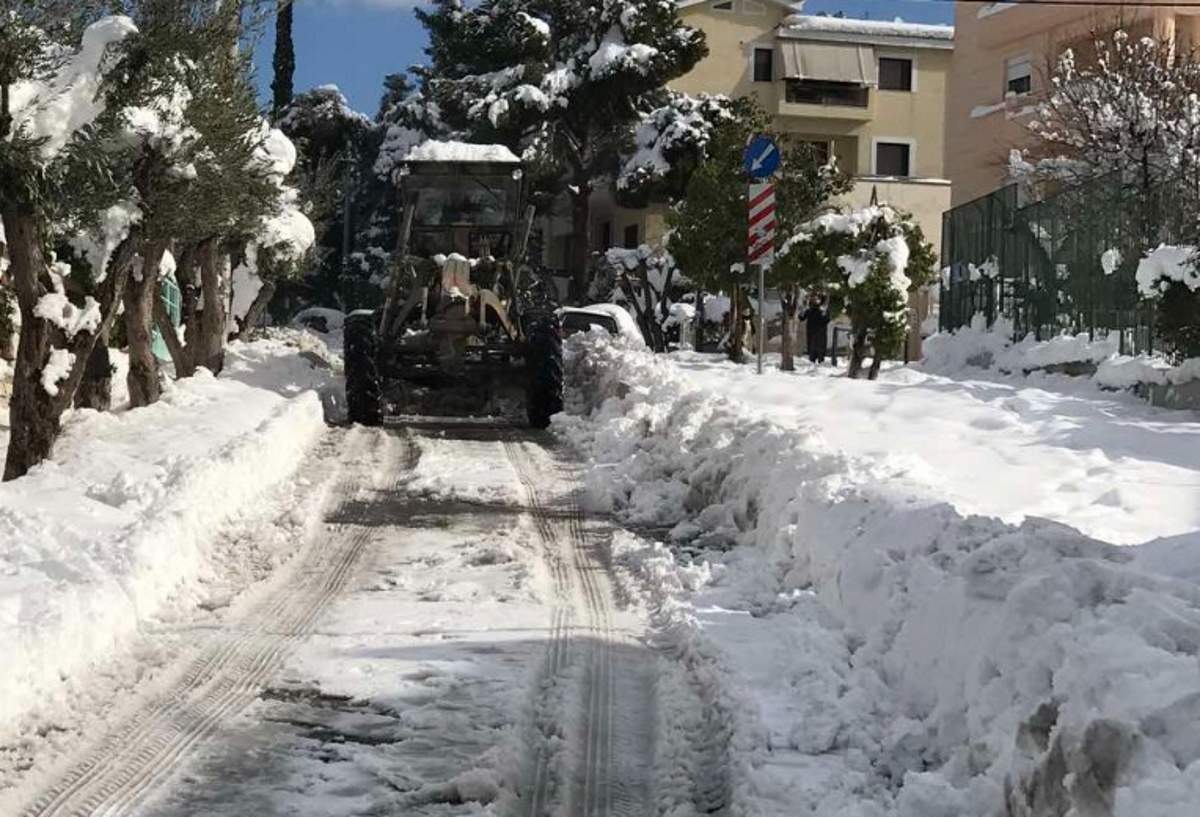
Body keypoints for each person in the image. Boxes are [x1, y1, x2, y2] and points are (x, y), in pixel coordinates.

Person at [798, 293, 830, 364]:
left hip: (821, 331)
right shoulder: (810, 310)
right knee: (811, 345)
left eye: (817, 299)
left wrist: (824, 312)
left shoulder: (823, 310)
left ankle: (820, 359)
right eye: (814, 299)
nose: (815, 301)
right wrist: (803, 308)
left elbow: (827, 320)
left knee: (820, 345)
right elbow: (801, 318)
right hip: (811, 330)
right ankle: (812, 358)